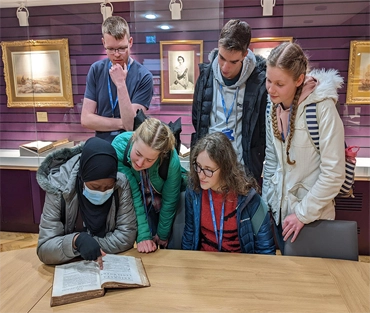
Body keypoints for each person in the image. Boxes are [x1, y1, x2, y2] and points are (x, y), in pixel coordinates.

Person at [262, 42, 346, 254]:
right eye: (268, 80)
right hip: (281, 216)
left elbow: (334, 173)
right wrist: (267, 205)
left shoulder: (322, 108)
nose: (271, 89)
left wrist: (302, 214)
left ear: (299, 79)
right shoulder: (272, 105)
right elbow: (271, 160)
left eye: (279, 84)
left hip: (312, 219)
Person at [36, 137, 137, 268]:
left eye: (108, 187)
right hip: (69, 268)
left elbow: (126, 235)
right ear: (82, 177)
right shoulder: (58, 187)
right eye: (95, 187)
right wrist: (75, 242)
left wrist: (92, 246)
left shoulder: (121, 184)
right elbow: (44, 248)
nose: (102, 192)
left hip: (106, 264)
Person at [191, 19, 268, 181]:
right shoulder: (205, 76)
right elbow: (197, 120)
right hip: (208, 169)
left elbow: (261, 131)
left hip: (242, 170)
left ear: (245, 54)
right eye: (222, 58)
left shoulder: (259, 82)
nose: (225, 67)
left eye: (233, 62)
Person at [182, 132, 275, 254]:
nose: (201, 175)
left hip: (238, 264)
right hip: (204, 261)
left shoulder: (249, 198)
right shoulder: (194, 191)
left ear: (225, 169)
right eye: (198, 166)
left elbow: (265, 249)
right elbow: (190, 235)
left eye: (208, 170)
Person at [112, 118, 182, 253]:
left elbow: (170, 200)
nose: (139, 163)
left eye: (149, 160)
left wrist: (162, 234)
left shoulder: (171, 160)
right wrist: (143, 236)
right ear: (134, 138)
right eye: (138, 154)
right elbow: (133, 195)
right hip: (135, 201)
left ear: (161, 155)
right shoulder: (119, 147)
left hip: (159, 201)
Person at [81, 16, 153, 143]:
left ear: (130, 42)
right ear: (104, 43)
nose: (117, 54)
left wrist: (120, 84)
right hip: (102, 145)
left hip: (131, 147)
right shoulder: (96, 69)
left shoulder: (144, 76)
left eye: (122, 48)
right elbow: (86, 119)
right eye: (111, 49)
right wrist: (121, 123)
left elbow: (130, 125)